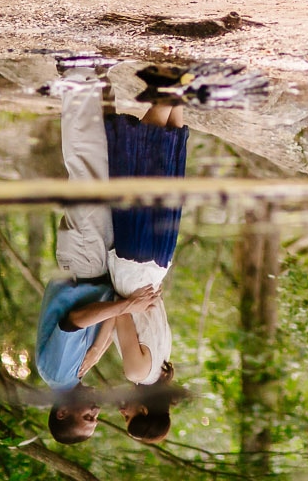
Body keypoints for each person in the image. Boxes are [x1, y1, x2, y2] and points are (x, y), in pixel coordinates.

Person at [38, 65, 162, 444]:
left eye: (87, 417)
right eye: (96, 419)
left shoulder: (58, 375)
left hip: (83, 264)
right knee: (103, 175)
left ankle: (76, 74)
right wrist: (109, 332)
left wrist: (128, 307)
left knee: (87, 173)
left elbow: (75, 319)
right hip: (95, 266)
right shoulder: (75, 373)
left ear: (63, 413)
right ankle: (93, 80)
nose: (96, 412)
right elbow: (100, 322)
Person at [106, 99, 188, 401]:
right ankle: (167, 89)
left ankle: (177, 94)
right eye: (128, 420)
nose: (121, 412)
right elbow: (120, 311)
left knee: (166, 179)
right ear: (142, 412)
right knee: (139, 173)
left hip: (158, 262)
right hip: (133, 262)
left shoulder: (163, 362)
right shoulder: (138, 373)